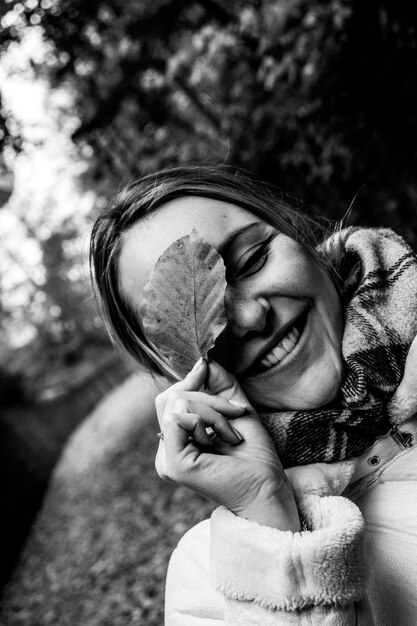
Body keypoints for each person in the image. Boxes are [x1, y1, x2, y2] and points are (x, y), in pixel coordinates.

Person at [90, 165, 417, 625]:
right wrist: (268, 509)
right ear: (174, 372)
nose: (249, 318)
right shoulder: (209, 584)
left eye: (251, 260)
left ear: (295, 233)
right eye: (202, 319)